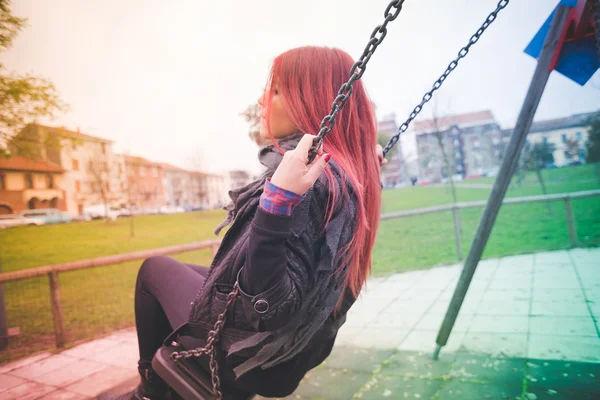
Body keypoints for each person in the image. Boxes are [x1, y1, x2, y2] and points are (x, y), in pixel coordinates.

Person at [101, 46, 383, 400]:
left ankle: (150, 392)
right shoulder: (347, 174)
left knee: (154, 271)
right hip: (290, 356)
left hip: (255, 359)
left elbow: (269, 307)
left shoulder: (307, 180)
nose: (265, 98)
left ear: (309, 100)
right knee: (198, 275)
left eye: (277, 89)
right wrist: (366, 162)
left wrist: (276, 204)